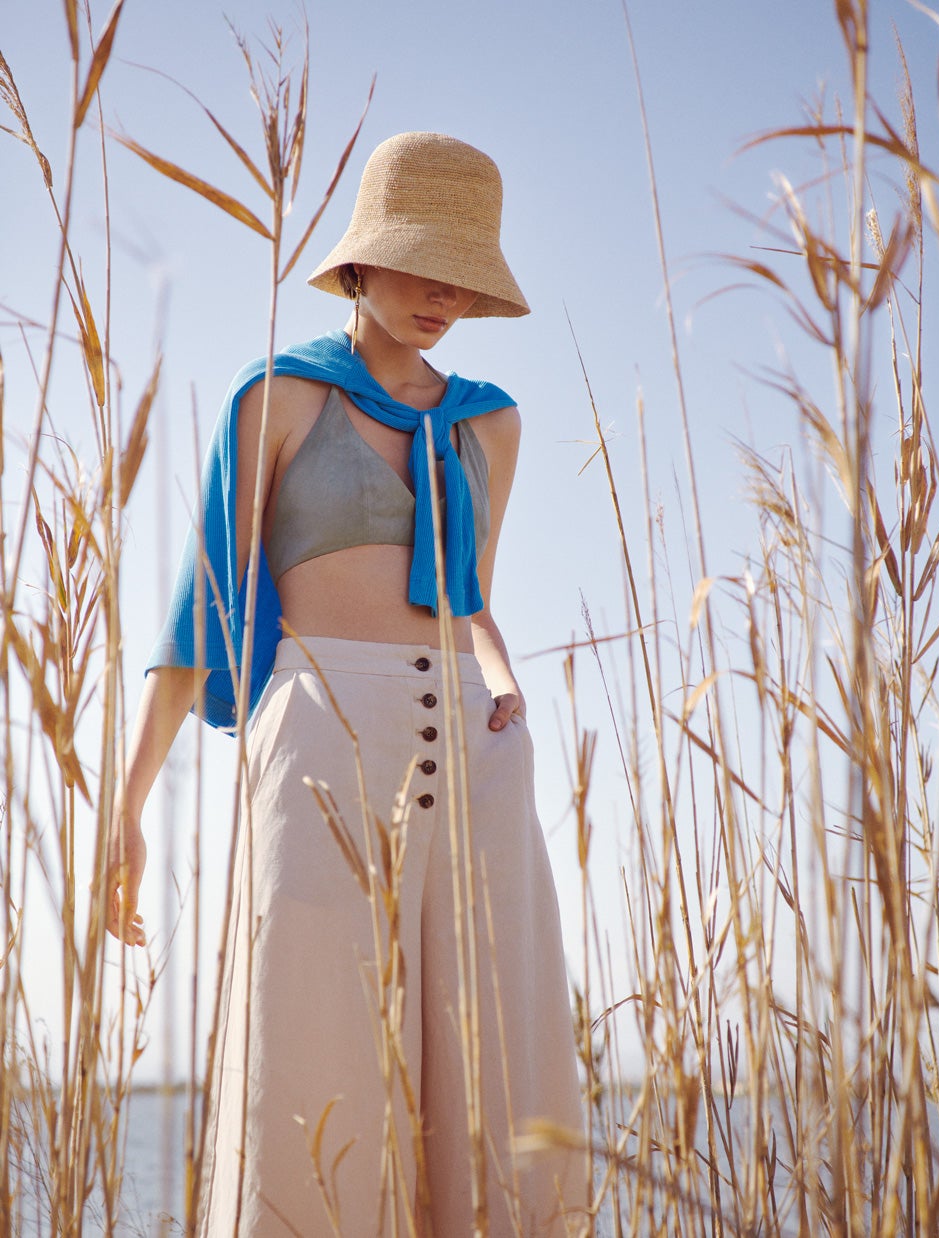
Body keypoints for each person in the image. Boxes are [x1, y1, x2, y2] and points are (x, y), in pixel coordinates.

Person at [107, 131, 586, 1237]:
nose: (444, 295)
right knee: (312, 1047)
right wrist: (124, 806)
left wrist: (505, 684)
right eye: (423, 263)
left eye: (462, 273)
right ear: (362, 261)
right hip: (318, 734)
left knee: (491, 1058)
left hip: (474, 750)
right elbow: (198, 613)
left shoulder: (491, 420)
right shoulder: (276, 397)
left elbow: (467, 595)